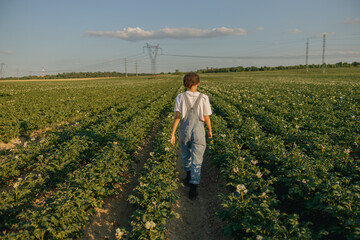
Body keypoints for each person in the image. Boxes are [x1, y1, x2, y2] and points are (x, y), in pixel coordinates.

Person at [170, 72, 212, 200]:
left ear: (186, 84)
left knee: (185, 154)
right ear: (198, 83)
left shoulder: (180, 97)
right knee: (197, 159)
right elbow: (206, 117)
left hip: (184, 131)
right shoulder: (204, 98)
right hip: (198, 132)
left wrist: (172, 134)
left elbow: (178, 117)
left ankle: (188, 176)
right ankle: (193, 187)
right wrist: (210, 130)